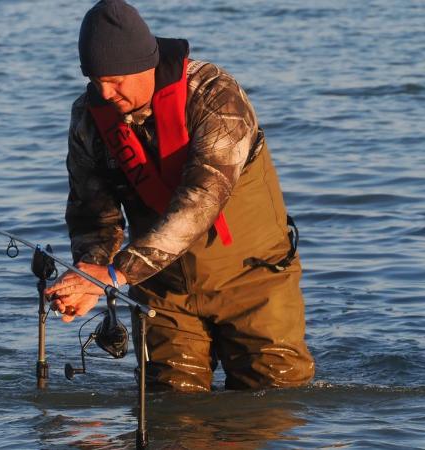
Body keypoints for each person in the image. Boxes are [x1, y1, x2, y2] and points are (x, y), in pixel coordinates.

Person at [44, 0, 314, 392]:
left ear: (145, 64)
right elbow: (92, 215)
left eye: (116, 79)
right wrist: (89, 276)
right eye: (95, 78)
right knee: (173, 415)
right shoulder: (90, 116)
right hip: (162, 292)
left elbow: (200, 200)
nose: (105, 91)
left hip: (252, 281)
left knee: (273, 404)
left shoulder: (215, 97)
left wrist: (117, 273)